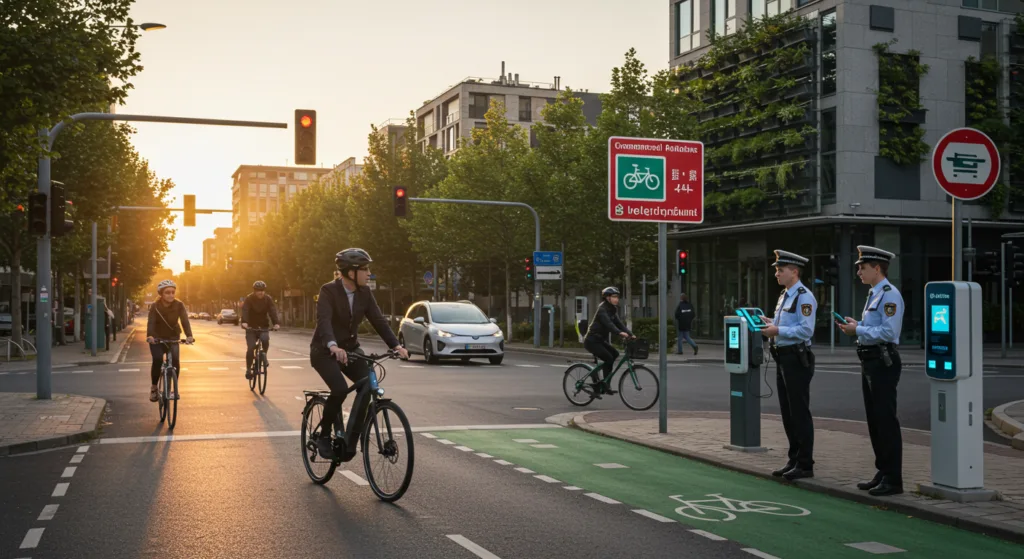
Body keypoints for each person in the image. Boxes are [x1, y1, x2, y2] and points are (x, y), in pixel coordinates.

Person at [310, 248, 409, 459]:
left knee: (367, 384)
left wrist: (396, 345)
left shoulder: (365, 293)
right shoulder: (328, 291)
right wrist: (332, 346)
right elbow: (324, 321)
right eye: (364, 269)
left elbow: (378, 320)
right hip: (324, 351)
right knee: (339, 389)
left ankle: (350, 441)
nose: (369, 273)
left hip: (351, 350)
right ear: (350, 272)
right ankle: (324, 435)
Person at [839, 245, 905, 497]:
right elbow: (874, 326)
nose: (858, 271)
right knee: (875, 420)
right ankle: (883, 471)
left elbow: (889, 332)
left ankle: (893, 478)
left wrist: (858, 331)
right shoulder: (875, 293)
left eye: (862, 267)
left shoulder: (889, 294)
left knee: (885, 420)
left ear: (877, 268)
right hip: (871, 359)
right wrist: (859, 326)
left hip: (882, 360)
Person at [761, 250, 817, 481]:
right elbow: (788, 324)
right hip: (782, 356)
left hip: (796, 357)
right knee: (788, 412)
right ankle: (794, 459)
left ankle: (805, 463)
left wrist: (778, 330)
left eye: (780, 270)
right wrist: (771, 323)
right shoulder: (785, 295)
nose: (776, 273)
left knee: (799, 412)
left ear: (794, 272)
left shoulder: (804, 296)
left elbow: (806, 330)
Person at [145, 280, 194, 402]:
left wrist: (189, 335)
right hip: (157, 338)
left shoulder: (179, 305)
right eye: (167, 292)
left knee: (175, 361)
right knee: (157, 360)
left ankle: (174, 389)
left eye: (173, 292)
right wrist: (150, 336)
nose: (171, 295)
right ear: (161, 294)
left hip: (173, 337)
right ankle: (154, 388)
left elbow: (184, 321)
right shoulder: (155, 306)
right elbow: (151, 322)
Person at [583, 287, 635, 397]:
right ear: (607, 298)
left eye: (617, 297)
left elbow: (619, 324)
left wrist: (630, 334)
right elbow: (609, 324)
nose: (617, 299)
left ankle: (606, 384)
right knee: (608, 358)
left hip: (600, 340)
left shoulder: (612, 309)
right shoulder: (602, 309)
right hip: (592, 340)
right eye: (614, 297)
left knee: (615, 354)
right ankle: (598, 381)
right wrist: (619, 333)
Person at [241, 280, 281, 379]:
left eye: (262, 290)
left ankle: (264, 356)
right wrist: (244, 322)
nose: (261, 292)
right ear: (254, 291)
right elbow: (245, 310)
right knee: (251, 348)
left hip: (263, 326)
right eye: (258, 290)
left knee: (265, 340)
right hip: (251, 327)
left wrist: (276, 323)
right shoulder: (249, 299)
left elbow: (272, 311)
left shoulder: (268, 299)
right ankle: (248, 369)